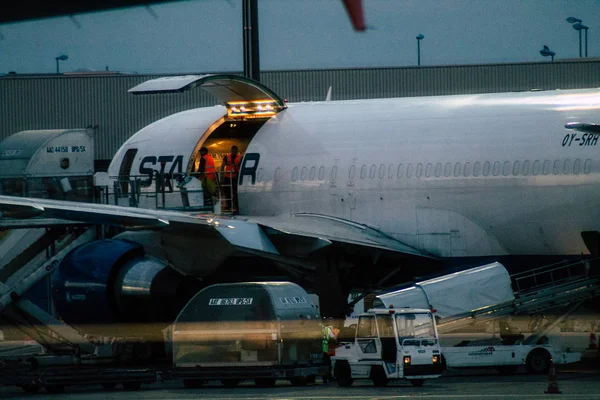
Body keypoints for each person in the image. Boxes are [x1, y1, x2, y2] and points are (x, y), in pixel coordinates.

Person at [221, 145, 242, 212]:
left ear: (237, 151)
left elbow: (240, 165)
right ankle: (229, 206)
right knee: (227, 192)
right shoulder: (227, 157)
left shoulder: (240, 157)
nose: (234, 152)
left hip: (235, 177)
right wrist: (221, 174)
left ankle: (236, 206)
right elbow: (223, 165)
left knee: (235, 192)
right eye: (233, 150)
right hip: (228, 176)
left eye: (235, 150)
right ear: (231, 150)